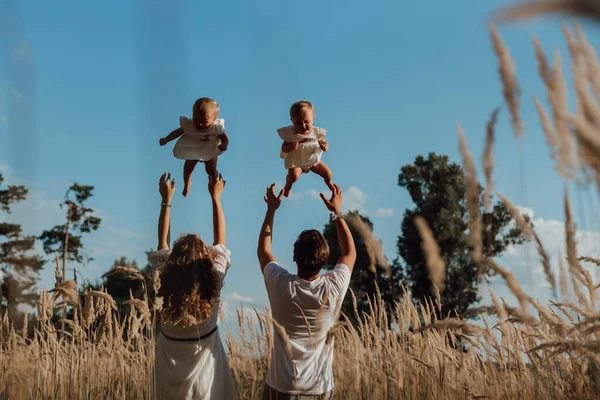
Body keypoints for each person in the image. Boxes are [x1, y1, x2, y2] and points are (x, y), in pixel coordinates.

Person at [257, 183, 356, 399]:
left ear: (294, 257)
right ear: (324, 260)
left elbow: (264, 250)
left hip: (280, 386)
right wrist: (337, 212)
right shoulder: (334, 286)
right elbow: (350, 252)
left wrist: (271, 209)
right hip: (319, 388)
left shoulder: (280, 284)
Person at [149, 172, 238, 400]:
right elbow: (221, 242)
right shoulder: (213, 286)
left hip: (167, 385)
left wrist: (166, 201)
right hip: (205, 385)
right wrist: (216, 197)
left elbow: (162, 245)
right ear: (205, 261)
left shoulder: (163, 290)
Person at [159, 97, 230, 197]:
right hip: (193, 148)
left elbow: (225, 137)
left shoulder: (216, 128)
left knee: (210, 169)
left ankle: (215, 181)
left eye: (204, 122)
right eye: (196, 119)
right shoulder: (190, 125)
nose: (199, 124)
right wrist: (166, 139)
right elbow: (177, 132)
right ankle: (187, 183)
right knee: (188, 167)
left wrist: (224, 145)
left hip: (210, 149)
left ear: (214, 119)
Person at [278, 101, 332, 197]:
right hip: (296, 163)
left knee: (328, 173)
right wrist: (290, 146)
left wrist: (325, 146)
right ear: (292, 121)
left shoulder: (316, 132)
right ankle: (288, 185)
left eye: (306, 121)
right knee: (294, 176)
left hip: (313, 161)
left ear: (313, 119)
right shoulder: (290, 134)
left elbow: (324, 142)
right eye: (298, 123)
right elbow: (284, 148)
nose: (303, 125)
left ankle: (328, 183)